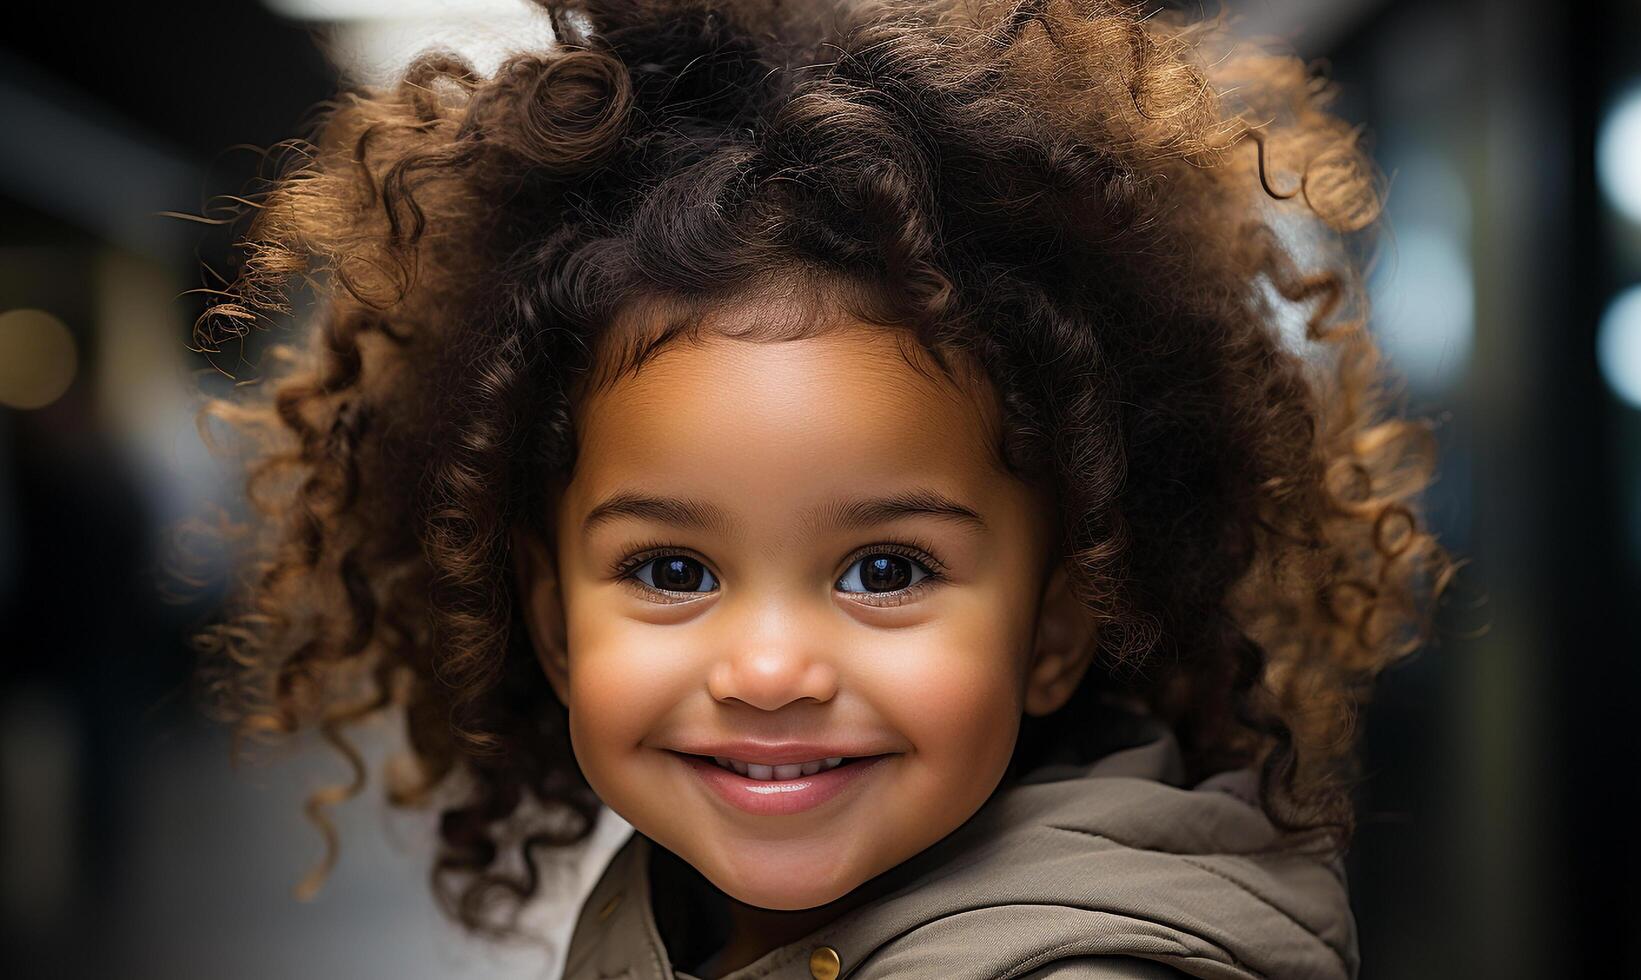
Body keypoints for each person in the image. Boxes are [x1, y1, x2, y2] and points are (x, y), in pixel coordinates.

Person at [182, 1, 1454, 977]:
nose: (771, 666)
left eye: (884, 569)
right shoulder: (687, 902)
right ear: (554, 616)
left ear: (1058, 623)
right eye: (671, 570)